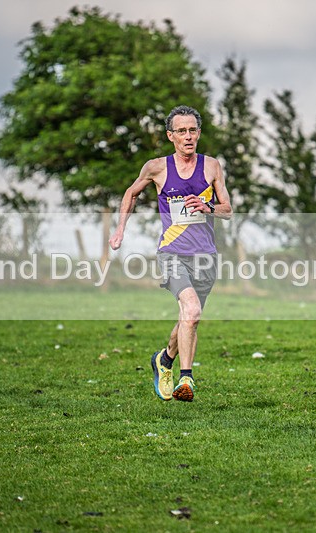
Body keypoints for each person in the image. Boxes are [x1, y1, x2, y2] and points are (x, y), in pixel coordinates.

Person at [109, 105, 232, 402]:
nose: (188, 136)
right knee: (191, 311)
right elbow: (131, 193)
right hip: (172, 252)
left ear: (199, 133)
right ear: (170, 136)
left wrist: (209, 207)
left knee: (190, 318)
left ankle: (164, 359)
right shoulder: (157, 167)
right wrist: (120, 230)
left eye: (192, 130)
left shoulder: (212, 166)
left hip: (206, 255)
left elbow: (227, 210)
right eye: (181, 131)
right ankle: (185, 379)